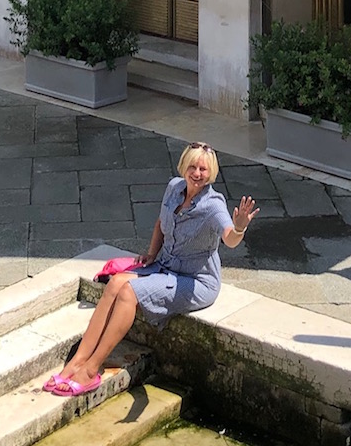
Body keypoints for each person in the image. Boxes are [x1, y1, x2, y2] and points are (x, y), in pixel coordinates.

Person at [44, 141, 259, 397]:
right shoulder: (173, 188)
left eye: (203, 169)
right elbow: (160, 224)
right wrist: (151, 254)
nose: (197, 173)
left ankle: (90, 371)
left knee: (128, 292)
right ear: (184, 167)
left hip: (195, 281)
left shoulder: (214, 205)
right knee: (114, 283)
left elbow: (229, 239)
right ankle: (76, 362)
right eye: (193, 166)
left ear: (211, 172)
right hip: (164, 264)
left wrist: (239, 227)